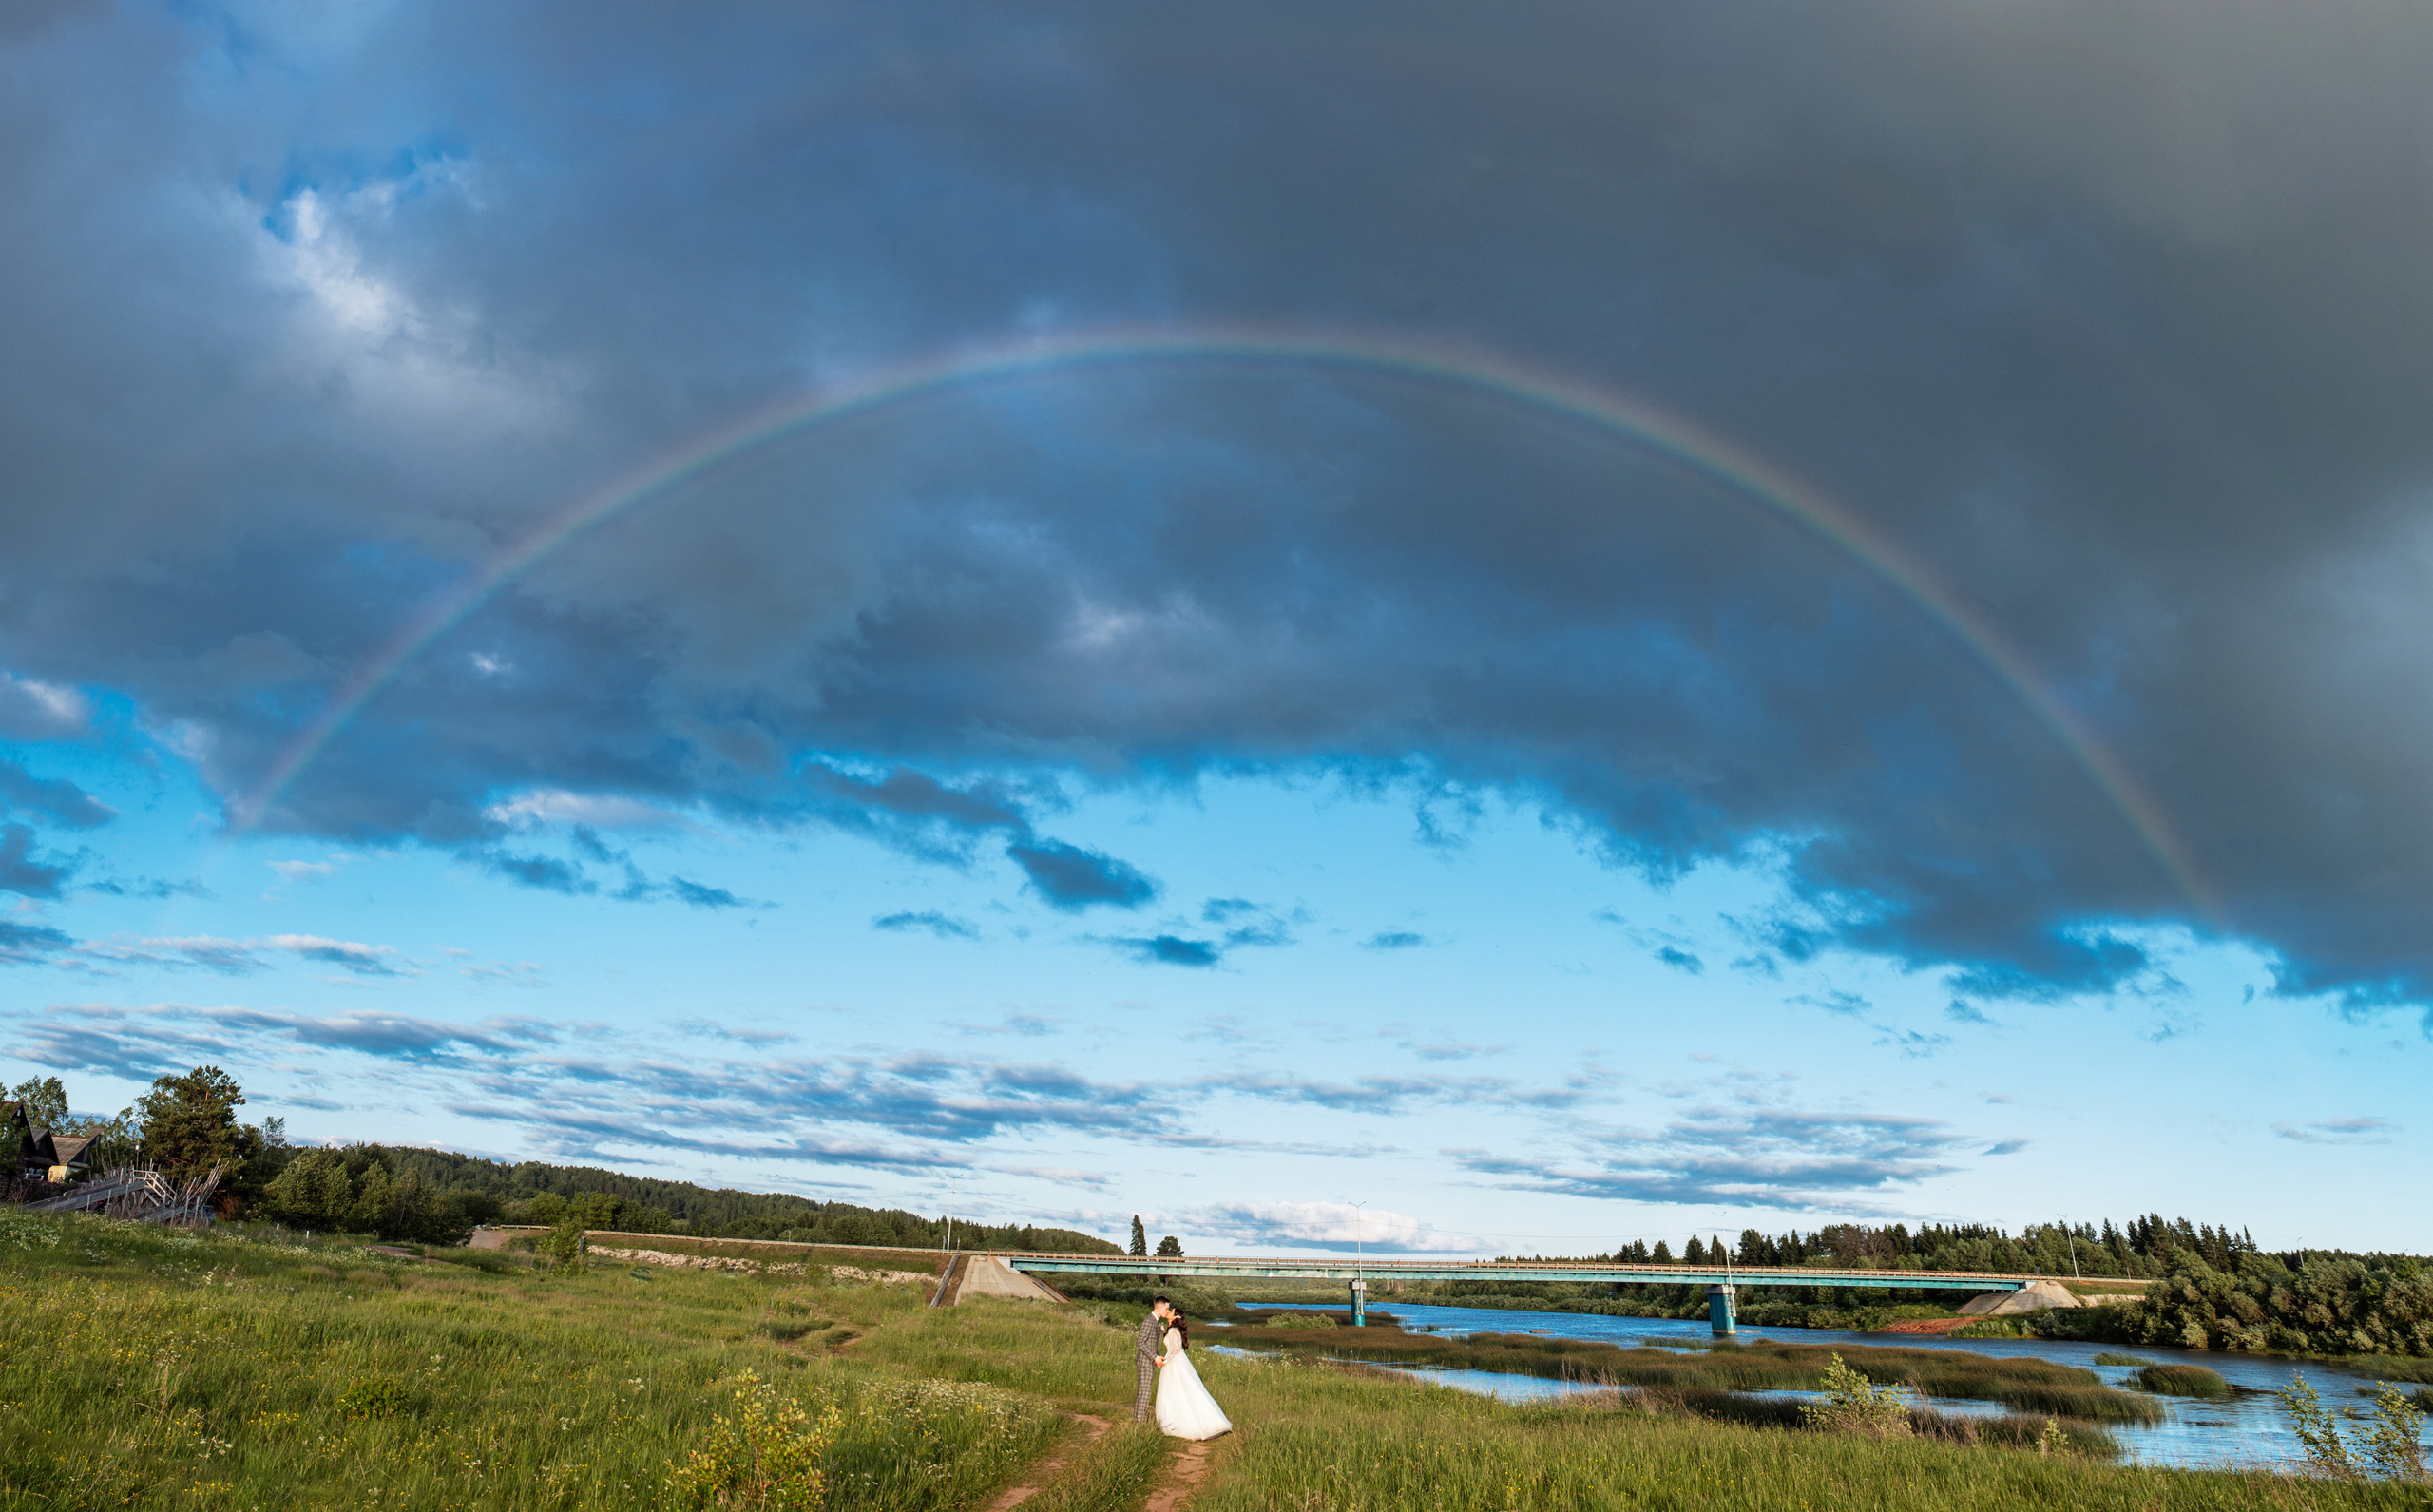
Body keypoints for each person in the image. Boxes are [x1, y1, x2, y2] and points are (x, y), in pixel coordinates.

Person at [1153, 1305, 1233, 1440]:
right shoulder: (1172, 1330)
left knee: (1178, 1391)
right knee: (1180, 1391)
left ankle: (1183, 1423)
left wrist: (1165, 1362)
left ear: (1176, 1317)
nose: (1168, 1312)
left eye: (1171, 1311)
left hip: (1174, 1363)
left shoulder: (1173, 1330)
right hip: (1176, 1361)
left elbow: (1176, 1349)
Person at [1134, 1296, 1174, 1421]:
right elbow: (1140, 1342)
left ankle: (1138, 1419)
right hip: (1145, 1363)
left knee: (1144, 1392)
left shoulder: (1155, 1322)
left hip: (1148, 1362)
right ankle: (1140, 1422)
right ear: (1160, 1307)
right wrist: (1154, 1357)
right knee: (1144, 1393)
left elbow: (1151, 1343)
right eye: (1167, 1308)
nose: (1168, 1311)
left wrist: (1157, 1357)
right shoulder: (1148, 1321)